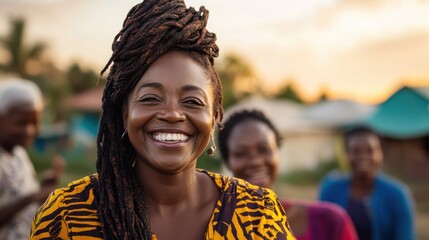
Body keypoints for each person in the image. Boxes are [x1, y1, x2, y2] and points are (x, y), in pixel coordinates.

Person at [30, 1, 296, 239]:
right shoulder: (66, 217)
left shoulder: (258, 214)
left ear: (214, 116)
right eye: (150, 98)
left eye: (192, 101)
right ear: (124, 113)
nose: (171, 114)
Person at [218, 109, 358, 240]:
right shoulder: (217, 230)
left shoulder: (329, 221)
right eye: (241, 154)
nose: (255, 161)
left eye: (264, 149)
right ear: (228, 161)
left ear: (278, 152)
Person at [319, 127, 416, 240]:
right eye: (355, 151)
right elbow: (321, 232)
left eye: (370, 150)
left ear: (381, 153)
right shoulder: (331, 189)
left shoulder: (397, 194)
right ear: (346, 154)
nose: (363, 156)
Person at [0, 78, 65, 240]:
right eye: (21, 123)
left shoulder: (18, 154)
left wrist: (42, 189)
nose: (29, 130)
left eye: (34, 122)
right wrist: (32, 197)